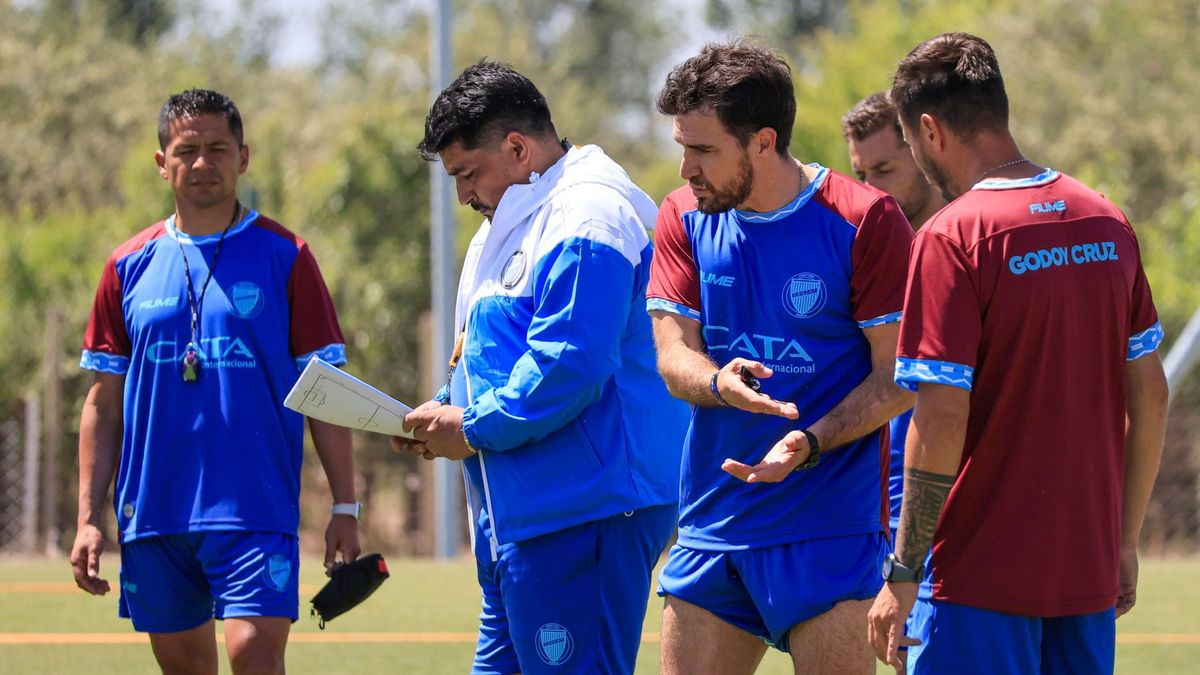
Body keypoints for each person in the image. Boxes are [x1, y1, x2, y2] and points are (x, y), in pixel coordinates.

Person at [866, 33, 1169, 674]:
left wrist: (902, 572)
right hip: (1085, 577)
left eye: (913, 146)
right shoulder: (1105, 221)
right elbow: (1151, 395)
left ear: (929, 129)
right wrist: (1123, 541)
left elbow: (941, 416)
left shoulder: (952, 237)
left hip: (977, 583)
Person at [399, 60, 688, 675]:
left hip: (585, 511)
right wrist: (442, 409)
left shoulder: (588, 211)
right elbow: (485, 358)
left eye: (467, 173)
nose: (463, 195)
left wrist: (471, 429)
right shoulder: (511, 220)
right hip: (525, 518)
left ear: (516, 147)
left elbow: (570, 363)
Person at [71, 89, 361, 675]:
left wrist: (345, 505)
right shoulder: (126, 264)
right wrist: (86, 518)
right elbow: (103, 404)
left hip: (254, 509)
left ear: (244, 158)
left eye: (218, 149)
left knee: (255, 657)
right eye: (187, 150)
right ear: (163, 163)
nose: (203, 163)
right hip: (154, 514)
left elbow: (323, 389)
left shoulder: (287, 254)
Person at [648, 41, 916, 674]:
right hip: (714, 527)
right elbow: (671, 354)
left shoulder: (863, 220)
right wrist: (716, 381)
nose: (687, 168)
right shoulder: (682, 216)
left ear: (763, 142)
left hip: (829, 532)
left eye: (704, 149)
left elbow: (899, 376)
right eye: (682, 147)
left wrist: (812, 441)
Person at [842, 91, 946, 539]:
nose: (871, 189)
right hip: (877, 504)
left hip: (956, 492)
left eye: (884, 171)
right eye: (861, 174)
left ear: (924, 149)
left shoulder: (969, 248)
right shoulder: (858, 255)